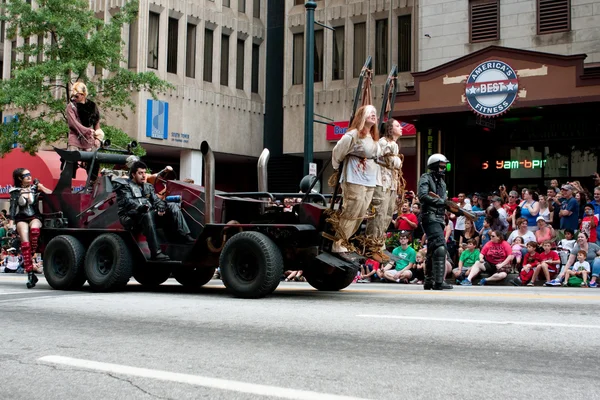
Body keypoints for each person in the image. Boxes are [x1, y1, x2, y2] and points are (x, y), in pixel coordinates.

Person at [113, 161, 194, 261]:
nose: (143, 176)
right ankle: (156, 253)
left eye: (144, 173)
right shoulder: (124, 186)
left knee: (172, 205)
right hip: (131, 217)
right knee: (147, 214)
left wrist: (161, 207)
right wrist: (140, 207)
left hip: (147, 214)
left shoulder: (148, 187)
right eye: (140, 173)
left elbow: (156, 200)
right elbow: (128, 202)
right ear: (133, 174)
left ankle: (186, 236)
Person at [331, 105, 379, 254]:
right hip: (354, 177)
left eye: (375, 113)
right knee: (352, 209)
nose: (373, 115)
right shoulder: (353, 135)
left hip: (369, 178)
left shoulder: (373, 137)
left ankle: (346, 240)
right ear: (362, 116)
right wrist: (338, 166)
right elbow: (337, 152)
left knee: (361, 212)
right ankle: (338, 242)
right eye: (370, 112)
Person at [418, 153, 466, 290]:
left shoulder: (443, 183)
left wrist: (455, 209)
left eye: (445, 166)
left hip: (439, 218)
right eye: (441, 166)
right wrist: (441, 202)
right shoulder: (425, 178)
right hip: (429, 216)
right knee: (440, 247)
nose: (444, 169)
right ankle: (438, 282)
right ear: (434, 166)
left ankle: (428, 281)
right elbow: (423, 196)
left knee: (433, 248)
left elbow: (444, 202)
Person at [365, 118, 402, 260]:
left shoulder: (394, 144)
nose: (401, 128)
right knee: (378, 213)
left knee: (387, 214)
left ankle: (380, 244)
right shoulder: (383, 142)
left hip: (391, 183)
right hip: (381, 182)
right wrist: (396, 161)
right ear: (390, 129)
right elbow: (386, 159)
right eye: (397, 126)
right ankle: (371, 243)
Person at [9, 168, 52, 288]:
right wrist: (11, 225)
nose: (29, 176)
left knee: (34, 231)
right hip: (21, 218)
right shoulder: (15, 191)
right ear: (19, 178)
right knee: (25, 244)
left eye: (30, 174)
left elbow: (52, 194)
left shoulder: (35, 187)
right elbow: (12, 210)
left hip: (35, 216)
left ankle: (31, 257)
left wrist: (42, 187)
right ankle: (30, 274)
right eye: (26, 175)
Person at [66, 82, 103, 151]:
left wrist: (98, 138)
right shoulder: (71, 106)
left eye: (76, 96)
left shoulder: (92, 106)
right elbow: (73, 124)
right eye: (73, 96)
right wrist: (88, 131)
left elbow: (97, 125)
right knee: (71, 159)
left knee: (92, 160)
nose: (74, 98)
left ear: (83, 95)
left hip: (88, 141)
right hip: (75, 141)